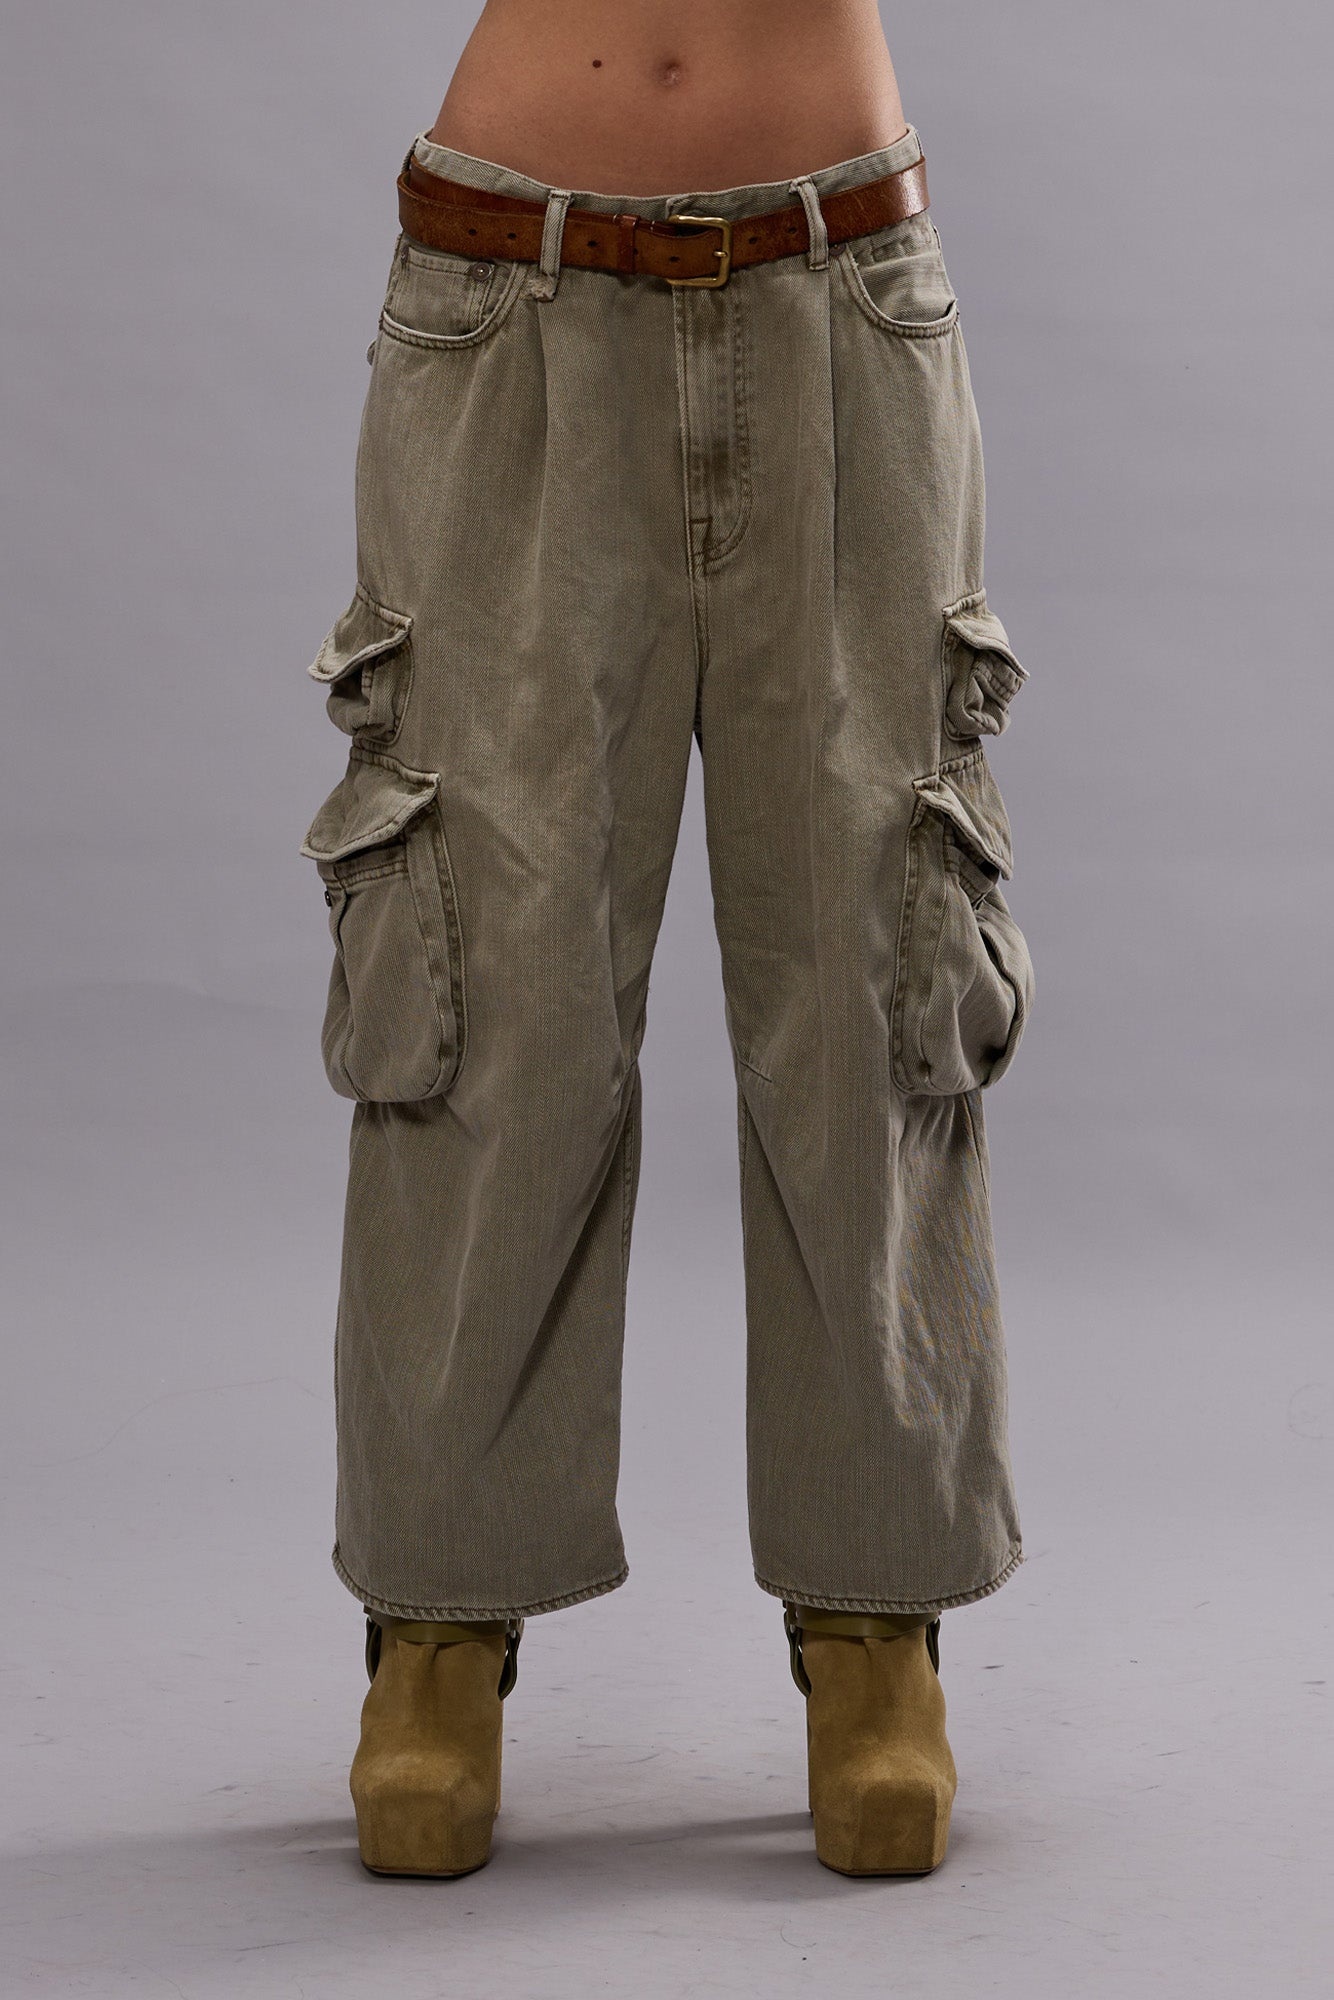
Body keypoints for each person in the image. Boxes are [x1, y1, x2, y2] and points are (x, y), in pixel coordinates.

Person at [299, 0, 1035, 1881]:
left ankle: (875, 1620)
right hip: (507, 302)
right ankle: (438, 1622)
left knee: (878, 965)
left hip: (839, 288)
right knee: (485, 983)